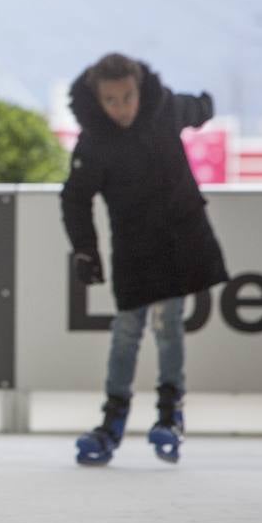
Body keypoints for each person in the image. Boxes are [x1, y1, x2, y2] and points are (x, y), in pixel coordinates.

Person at [61, 52, 228, 467]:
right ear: (98, 100)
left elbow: (196, 109)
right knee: (127, 329)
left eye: (127, 97)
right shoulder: (94, 142)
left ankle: (170, 417)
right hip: (133, 247)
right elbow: (75, 198)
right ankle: (112, 420)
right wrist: (85, 248)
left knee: (169, 325)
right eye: (111, 100)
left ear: (139, 90)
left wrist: (205, 106)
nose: (121, 108)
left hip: (177, 239)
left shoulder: (164, 108)